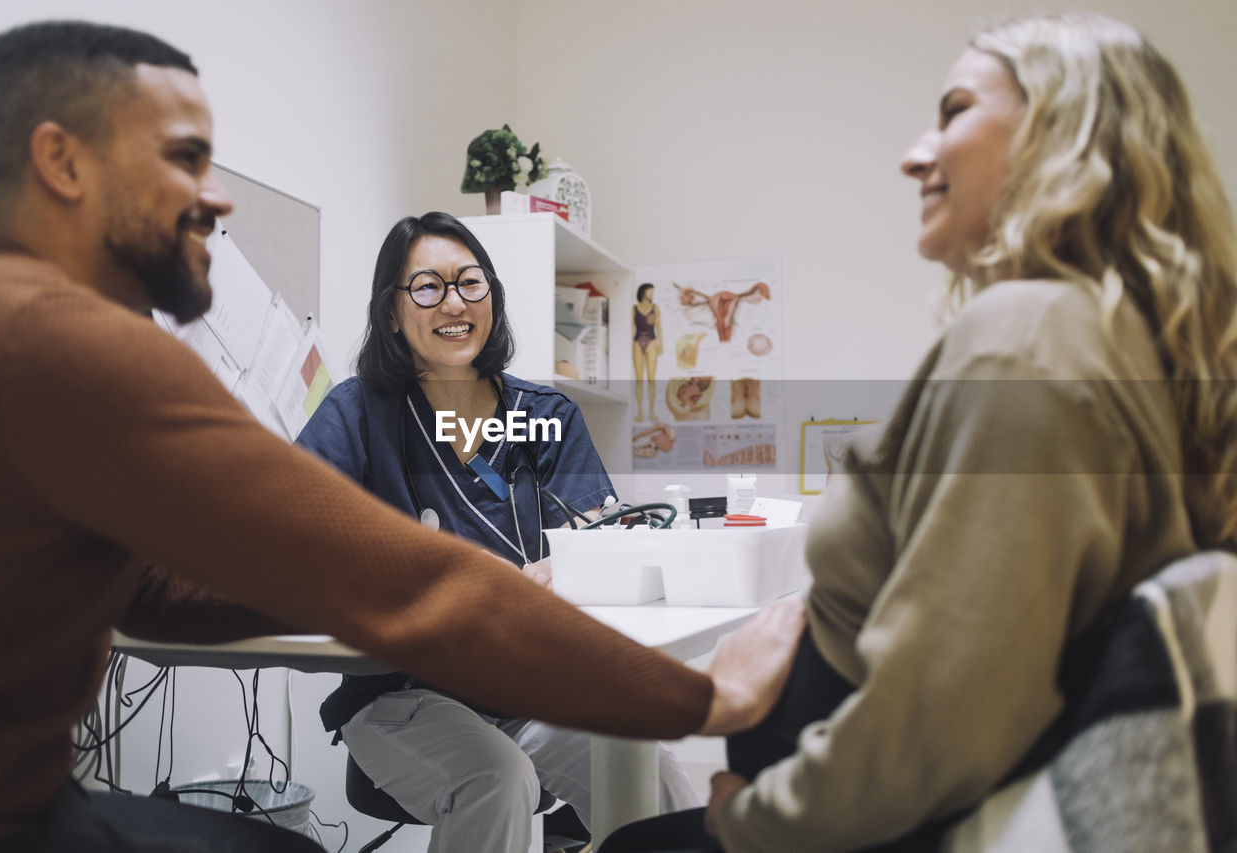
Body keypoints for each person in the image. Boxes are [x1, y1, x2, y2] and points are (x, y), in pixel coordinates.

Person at [0, 20, 805, 853]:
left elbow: (174, 580)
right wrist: (701, 698)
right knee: (483, 783)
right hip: (30, 810)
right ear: (61, 162)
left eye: (470, 282)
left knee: (635, 781)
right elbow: (343, 560)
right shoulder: (77, 348)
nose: (218, 198)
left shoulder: (7, 329)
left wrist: (354, 572)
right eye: (184, 160)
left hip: (25, 796)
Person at [601, 11, 1237, 852]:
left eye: (954, 110)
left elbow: (944, 714)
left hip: (864, 819)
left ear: (1063, 128)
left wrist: (750, 820)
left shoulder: (1024, 339)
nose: (914, 154)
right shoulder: (1119, 339)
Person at [295, 212, 700, 852]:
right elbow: (293, 524)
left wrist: (569, 565)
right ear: (392, 313)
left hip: (525, 687)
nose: (454, 302)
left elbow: (600, 535)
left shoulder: (545, 418)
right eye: (427, 287)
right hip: (399, 693)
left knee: (647, 768)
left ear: (493, 298)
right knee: (496, 777)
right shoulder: (358, 413)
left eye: (470, 283)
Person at [632, 282, 663, 421]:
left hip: (651, 341)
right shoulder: (634, 308)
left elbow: (659, 327)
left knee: (651, 378)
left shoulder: (655, 308)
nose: (651, 293)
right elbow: (631, 328)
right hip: (637, 342)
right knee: (639, 379)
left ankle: (651, 411)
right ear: (643, 292)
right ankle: (639, 411)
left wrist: (661, 344)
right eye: (649, 291)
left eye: (652, 291)